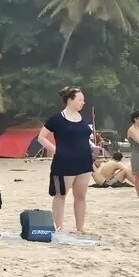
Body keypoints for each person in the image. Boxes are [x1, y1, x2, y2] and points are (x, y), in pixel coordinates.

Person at [37, 87, 94, 233]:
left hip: (84, 162)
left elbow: (86, 138)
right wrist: (56, 150)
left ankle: (80, 228)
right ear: (70, 99)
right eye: (80, 99)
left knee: (81, 196)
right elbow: (41, 137)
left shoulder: (83, 118)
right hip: (64, 163)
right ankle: (59, 227)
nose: (83, 102)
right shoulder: (57, 119)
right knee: (60, 195)